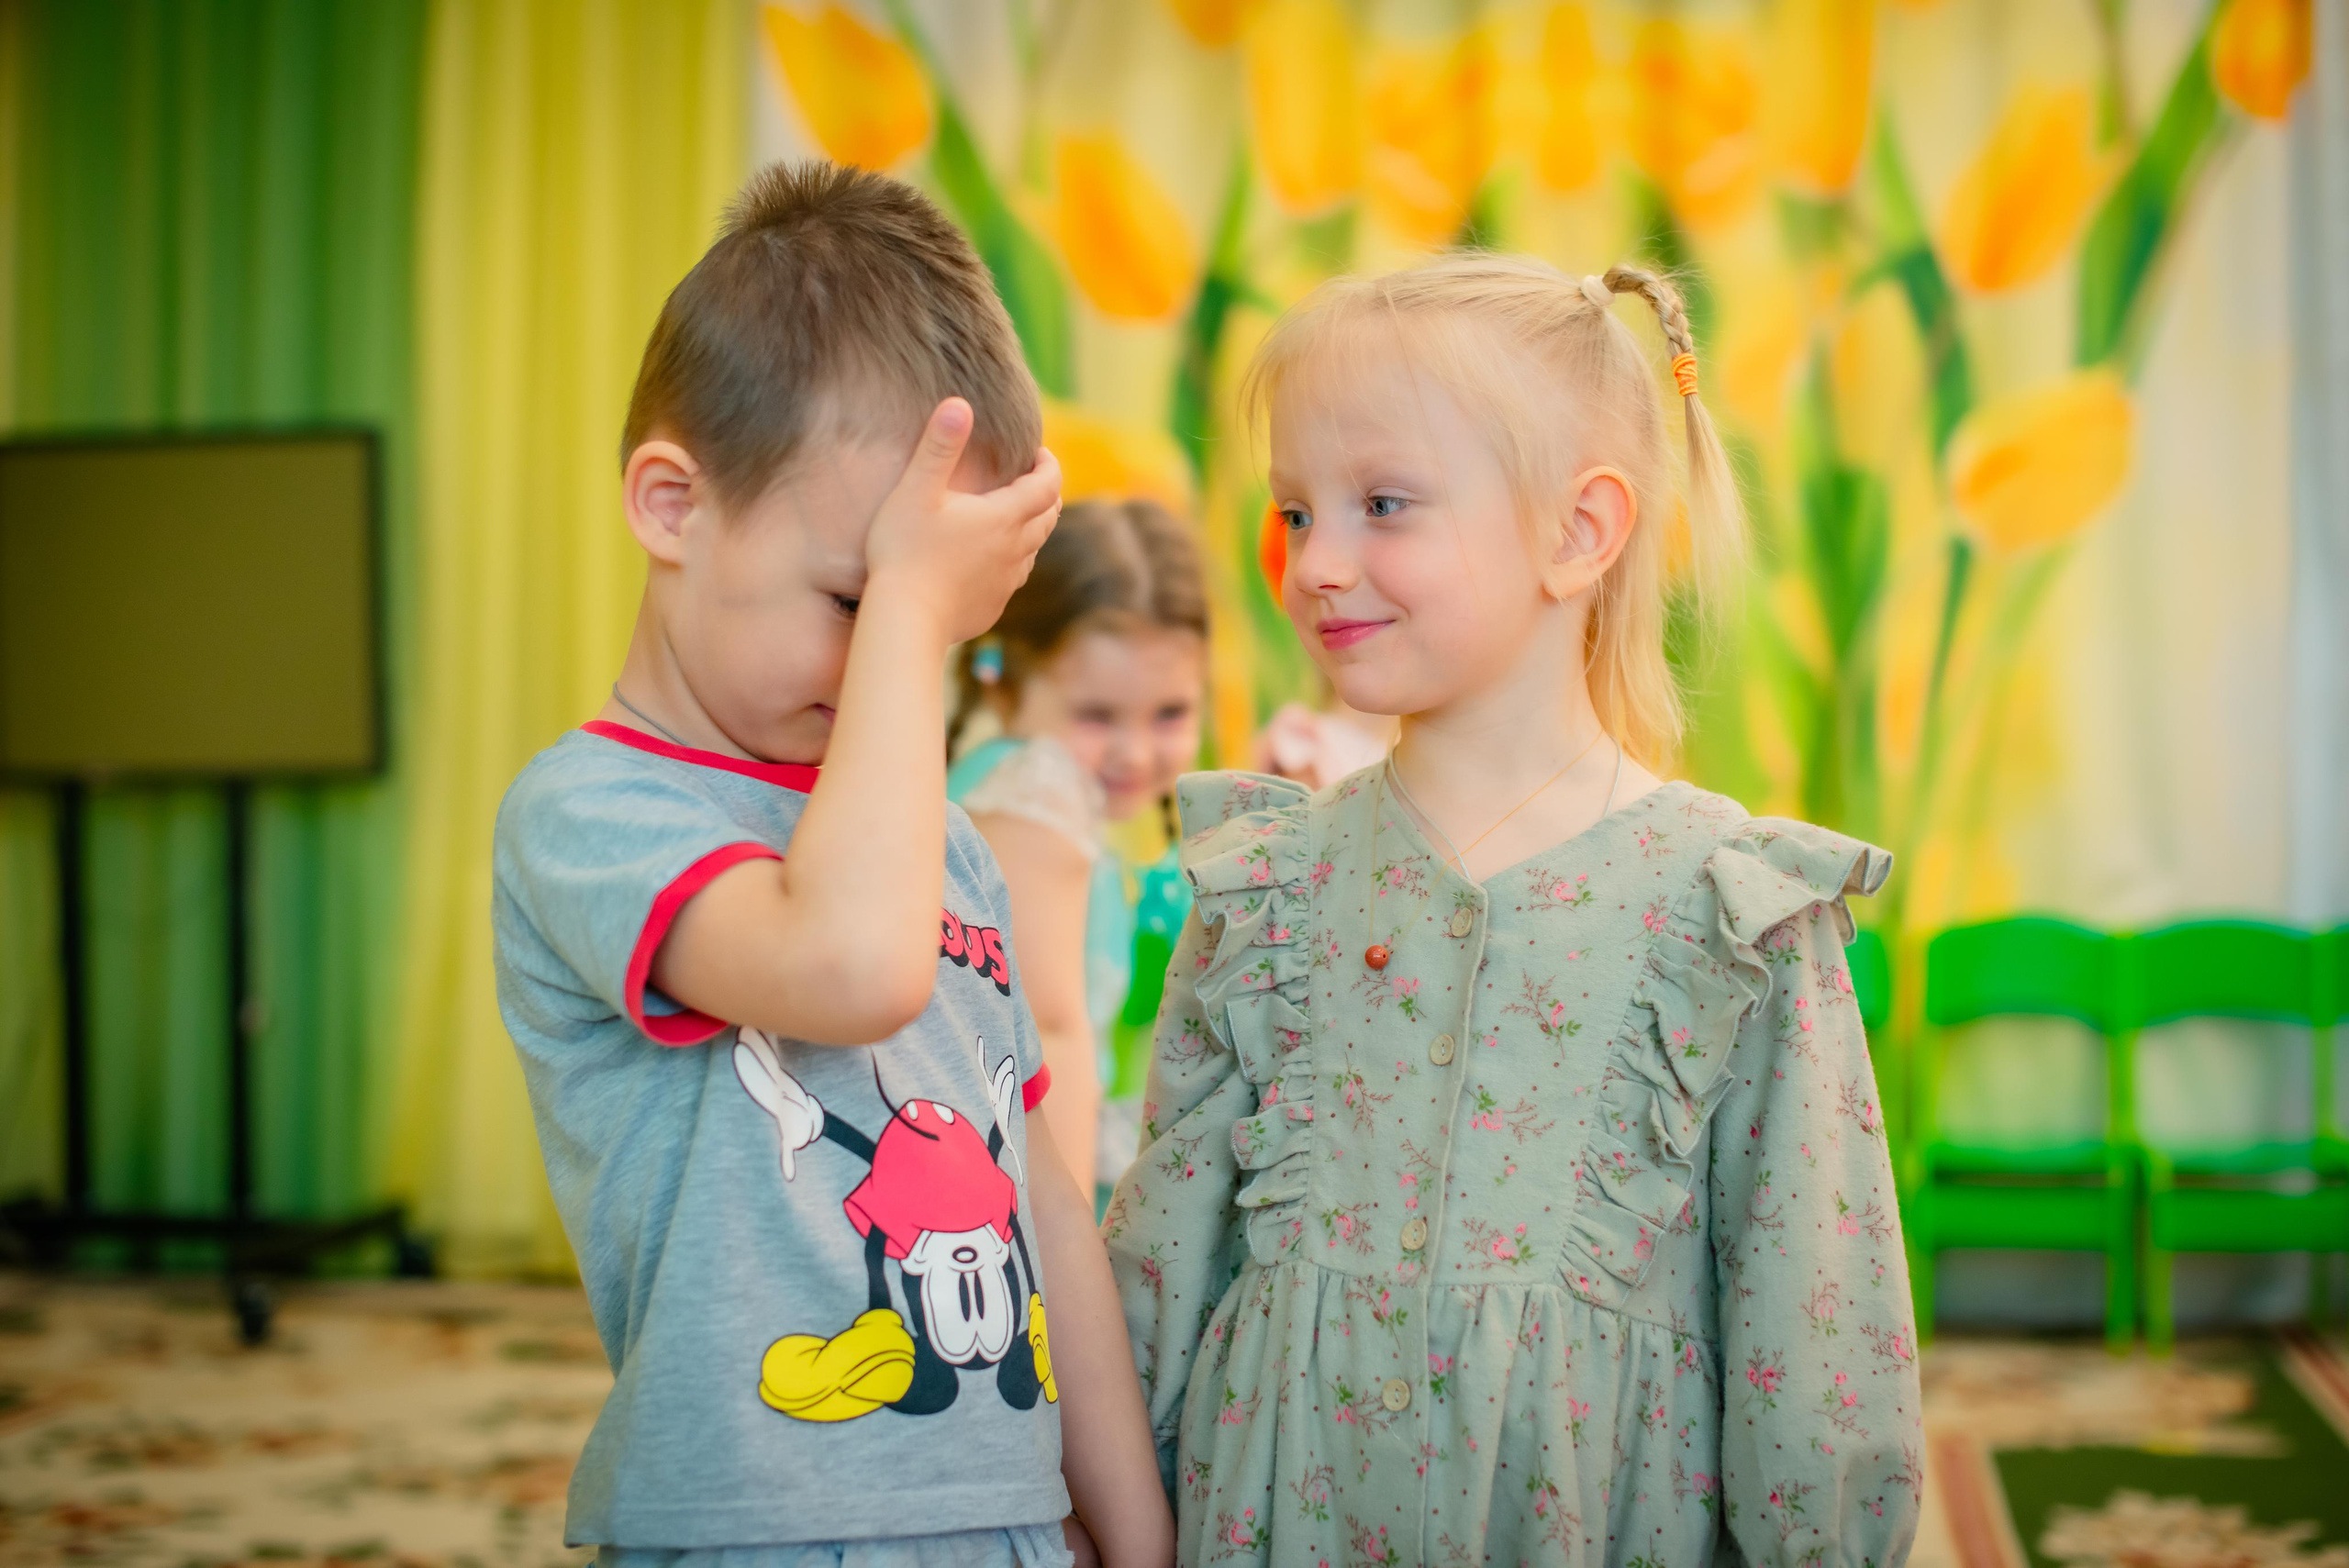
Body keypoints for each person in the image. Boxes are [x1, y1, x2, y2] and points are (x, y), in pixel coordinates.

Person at [1105, 256, 1921, 1565]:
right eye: (1298, 513)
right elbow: (1158, 1256)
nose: (1321, 562)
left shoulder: (1731, 914)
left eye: (1382, 505)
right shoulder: (1262, 887)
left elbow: (1814, 1316)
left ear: (1578, 532)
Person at [491, 162, 1169, 1568]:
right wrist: (922, 619)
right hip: (761, 1529)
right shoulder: (592, 810)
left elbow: (1038, 1191)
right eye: (859, 599)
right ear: (673, 506)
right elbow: (850, 967)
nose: (894, 658)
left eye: (933, 618)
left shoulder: (946, 837)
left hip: (1009, 1516)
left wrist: (1134, 1525)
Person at [946, 499, 1208, 1207]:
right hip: (1044, 1192)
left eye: (1171, 713)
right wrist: (1071, 1258)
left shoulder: (1015, 785)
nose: (1135, 751)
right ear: (1003, 675)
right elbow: (1051, 1035)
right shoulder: (1038, 791)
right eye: (1097, 715)